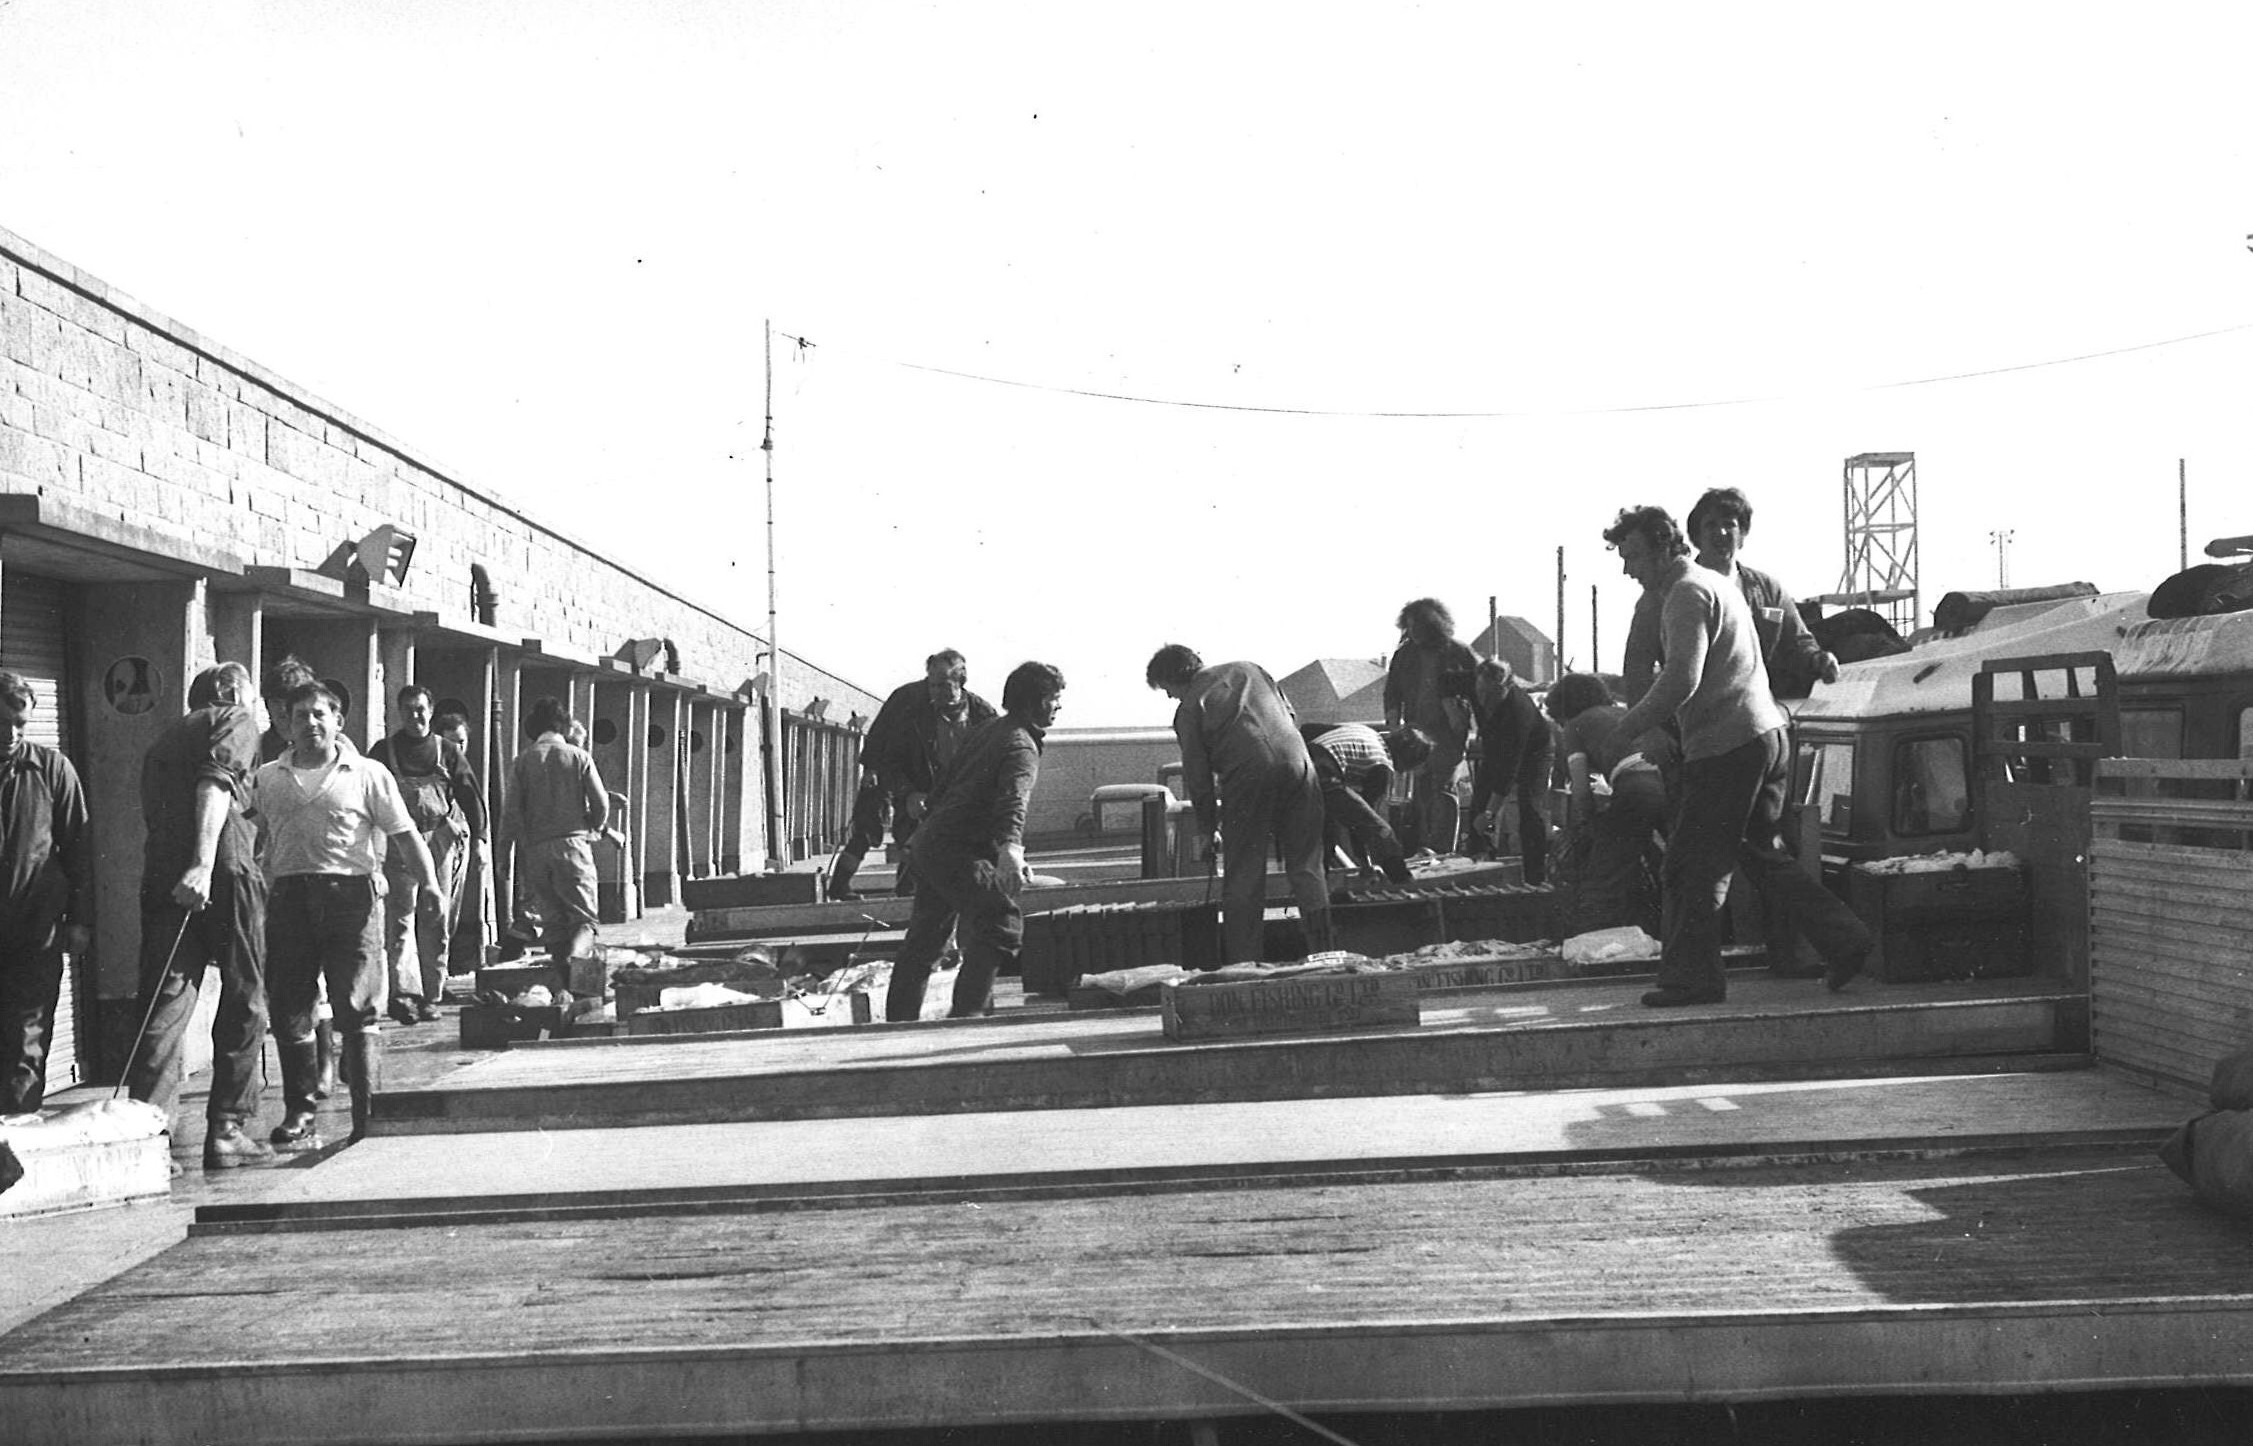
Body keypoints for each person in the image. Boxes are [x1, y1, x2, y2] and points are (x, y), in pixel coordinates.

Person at [1604, 507, 1873, 1007]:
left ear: (1664, 547)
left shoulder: (1685, 595)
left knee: (1690, 866)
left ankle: (1693, 980)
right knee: (1762, 855)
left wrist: (1628, 728)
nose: (1628, 569)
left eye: (1634, 556)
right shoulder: (1711, 583)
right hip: (1764, 735)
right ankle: (1845, 939)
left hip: (1726, 747)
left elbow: (1682, 678)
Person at [249, 680, 438, 1148]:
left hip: (349, 898)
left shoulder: (367, 773)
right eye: (300, 716)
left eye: (320, 714)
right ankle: (301, 1112)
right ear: (286, 725)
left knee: (357, 1005)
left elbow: (404, 833)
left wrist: (430, 883)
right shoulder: (268, 778)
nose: (311, 723)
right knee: (291, 1008)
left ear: (338, 721)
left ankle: (366, 1113)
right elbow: (248, 835)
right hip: (290, 898)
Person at [123, 662, 274, 1167]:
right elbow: (216, 784)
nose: (262, 710)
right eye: (257, 697)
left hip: (163, 872)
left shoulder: (164, 740)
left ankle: (148, 1134)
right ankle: (227, 1129)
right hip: (221, 865)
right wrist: (204, 864)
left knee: (166, 1000)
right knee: (244, 996)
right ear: (233, 691)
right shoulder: (234, 718)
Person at [883, 662, 1065, 1021]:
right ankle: (968, 1017)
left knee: (925, 940)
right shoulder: (1020, 745)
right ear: (1036, 702)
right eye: (1055, 699)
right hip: (955, 849)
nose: (1059, 706)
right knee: (1001, 924)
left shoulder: (989, 730)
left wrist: (922, 837)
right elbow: (1014, 799)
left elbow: (945, 783)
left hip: (933, 844)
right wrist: (1011, 848)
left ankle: (898, 1023)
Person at [1149, 645, 1331, 964]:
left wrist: (1208, 830)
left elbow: (1198, 777)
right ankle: (1327, 953)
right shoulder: (1251, 669)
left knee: (1244, 875)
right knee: (1307, 866)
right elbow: (1288, 715)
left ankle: (1244, 963)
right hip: (1300, 764)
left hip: (1247, 777)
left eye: (1166, 689)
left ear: (1174, 678)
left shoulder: (1190, 708)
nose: (1169, 698)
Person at [0, 672, 92, 1120]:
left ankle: (19, 1135)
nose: (10, 734)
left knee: (27, 1038)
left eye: (20, 723)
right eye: (1, 723)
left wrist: (79, 920)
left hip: (34, 930)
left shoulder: (53, 770)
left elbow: (79, 850)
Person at [368, 684, 484, 1024]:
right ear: (399, 713)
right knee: (399, 920)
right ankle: (405, 995)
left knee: (435, 916)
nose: (415, 716)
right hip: (398, 842)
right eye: (408, 710)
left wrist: (480, 840)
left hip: (438, 842)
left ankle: (432, 992)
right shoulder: (382, 752)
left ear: (430, 711)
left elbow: (470, 796)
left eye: (420, 709)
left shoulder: (446, 751)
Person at [842, 650, 998, 898]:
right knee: (897, 836)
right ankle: (897, 895)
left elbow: (994, 763)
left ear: (960, 683)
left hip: (958, 795)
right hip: (912, 784)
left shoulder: (982, 714)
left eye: (942, 685)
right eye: (931, 684)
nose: (934, 692)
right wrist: (906, 791)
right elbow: (887, 750)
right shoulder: (909, 703)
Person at [1686, 487, 1839, 700]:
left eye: (1729, 524)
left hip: (1759, 710)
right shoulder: (1678, 590)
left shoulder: (1768, 590)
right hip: (1700, 713)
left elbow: (1798, 641)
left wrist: (1818, 659)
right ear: (1697, 537)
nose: (1721, 532)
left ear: (1742, 535)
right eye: (1711, 524)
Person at [1542, 672, 1665, 935]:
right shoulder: (1622, 712)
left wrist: (1588, 823)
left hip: (1636, 785)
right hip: (1669, 781)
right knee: (1664, 864)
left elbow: (1581, 789)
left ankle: (1595, 942)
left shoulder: (1575, 725)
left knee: (1603, 878)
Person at [501, 696, 609, 966]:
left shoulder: (522, 761)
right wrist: (593, 825)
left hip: (536, 851)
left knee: (554, 924)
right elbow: (601, 803)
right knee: (584, 921)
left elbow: (511, 813)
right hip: (572, 845)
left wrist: (504, 855)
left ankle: (560, 985)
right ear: (563, 727)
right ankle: (577, 968)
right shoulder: (578, 757)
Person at [1383, 599, 1477, 854]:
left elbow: (1479, 692)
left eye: (1417, 627)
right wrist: (1393, 724)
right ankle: (1424, 848)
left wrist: (1469, 726)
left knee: (1444, 789)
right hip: (1417, 733)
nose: (1412, 632)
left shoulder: (1459, 652)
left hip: (1449, 734)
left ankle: (1445, 849)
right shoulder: (1404, 654)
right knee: (1420, 792)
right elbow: (1392, 692)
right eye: (1409, 627)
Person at [1300, 722, 1429, 890]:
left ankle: (1319, 890)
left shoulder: (1368, 733)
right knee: (1381, 831)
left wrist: (1364, 863)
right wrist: (1366, 864)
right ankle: (1402, 881)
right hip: (1324, 772)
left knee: (1326, 835)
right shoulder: (1381, 763)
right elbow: (1362, 823)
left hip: (1303, 763)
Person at [1465, 657, 1555, 884]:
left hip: (1534, 753)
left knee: (1529, 809)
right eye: (1481, 692)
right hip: (1495, 745)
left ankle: (1535, 876)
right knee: (1478, 798)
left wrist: (1489, 814)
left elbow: (1508, 769)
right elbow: (1446, 680)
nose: (1484, 700)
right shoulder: (1475, 685)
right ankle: (1478, 861)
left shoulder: (1518, 711)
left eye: (1491, 695)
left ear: (1506, 687)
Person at [432, 709, 495, 974]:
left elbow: (475, 805)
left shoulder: (462, 771)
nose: (457, 748)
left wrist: (479, 842)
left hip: (460, 847)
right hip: (436, 847)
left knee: (452, 910)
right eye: (452, 742)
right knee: (437, 911)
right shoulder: (433, 769)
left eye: (462, 742)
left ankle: (444, 968)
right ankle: (436, 972)